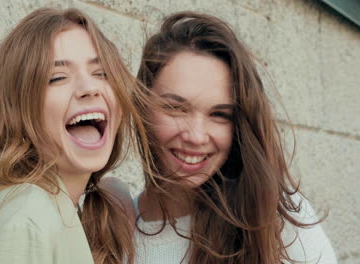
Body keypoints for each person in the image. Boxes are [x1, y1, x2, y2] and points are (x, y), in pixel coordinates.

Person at [0, 7, 152, 264]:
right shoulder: (28, 218)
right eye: (57, 77)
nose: (89, 88)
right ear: (18, 107)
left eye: (101, 73)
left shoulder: (32, 204)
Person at [131, 11, 338, 263]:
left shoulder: (276, 218)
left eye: (219, 114)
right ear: (141, 106)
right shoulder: (113, 229)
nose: (196, 136)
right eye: (176, 108)